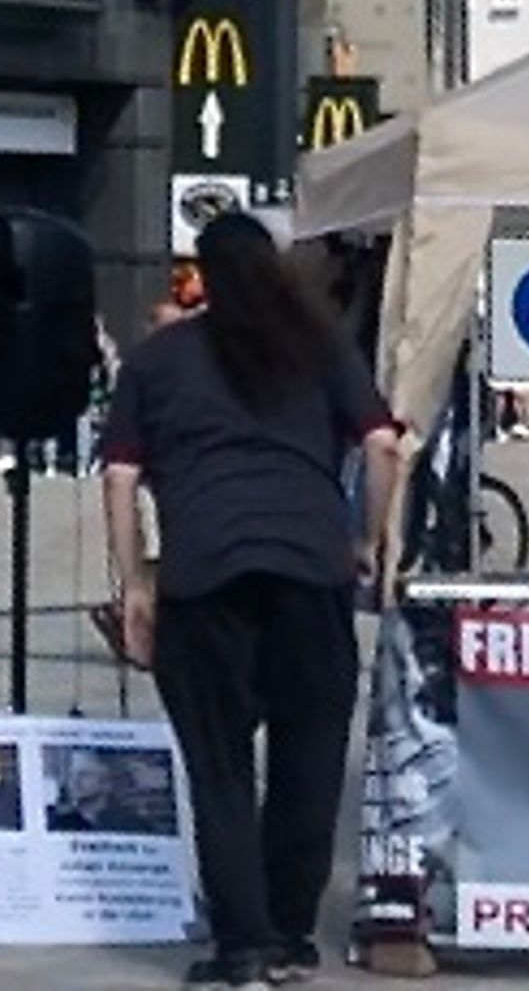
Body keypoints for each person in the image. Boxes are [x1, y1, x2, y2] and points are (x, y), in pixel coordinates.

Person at [103, 212, 402, 989]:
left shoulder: (158, 359)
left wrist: (136, 582)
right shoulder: (320, 345)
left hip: (204, 578)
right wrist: (368, 540)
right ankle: (294, 936)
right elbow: (383, 444)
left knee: (221, 766)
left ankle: (243, 947)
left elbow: (119, 476)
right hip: (310, 570)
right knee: (308, 760)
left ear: (199, 275)